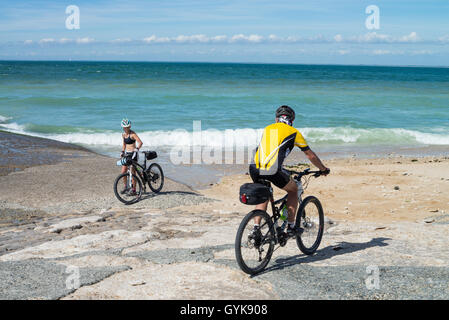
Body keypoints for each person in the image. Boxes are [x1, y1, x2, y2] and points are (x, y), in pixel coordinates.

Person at [249, 105, 330, 236]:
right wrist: (323, 169)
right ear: (291, 120)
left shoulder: (268, 129)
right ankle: (291, 227)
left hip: (254, 167)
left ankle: (256, 229)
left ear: (276, 119)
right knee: (294, 190)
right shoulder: (294, 132)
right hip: (273, 169)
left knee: (263, 194)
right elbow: (310, 155)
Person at [120, 118, 143, 195]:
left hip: (134, 154)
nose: (126, 128)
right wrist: (122, 152)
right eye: (124, 127)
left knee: (133, 173)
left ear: (129, 127)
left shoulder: (133, 134)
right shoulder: (123, 135)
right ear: (123, 127)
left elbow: (140, 142)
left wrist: (137, 149)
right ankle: (126, 187)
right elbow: (124, 145)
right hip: (127, 154)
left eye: (127, 127)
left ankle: (133, 190)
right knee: (123, 171)